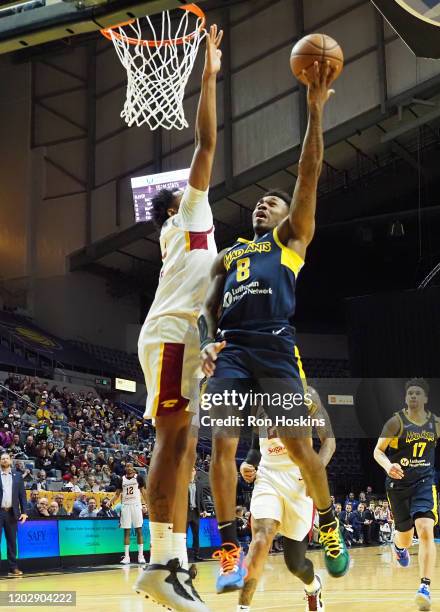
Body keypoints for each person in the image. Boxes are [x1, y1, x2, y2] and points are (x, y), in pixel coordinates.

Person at [199, 60, 349, 592]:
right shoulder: (230, 256)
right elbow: (207, 307)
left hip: (277, 350)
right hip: (234, 352)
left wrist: (314, 108)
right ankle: (228, 548)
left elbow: (308, 174)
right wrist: (205, 345)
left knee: (301, 446)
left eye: (273, 201)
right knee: (220, 442)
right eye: (259, 201)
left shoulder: (289, 243)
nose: (263, 203)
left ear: (288, 217)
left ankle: (328, 524)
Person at [134, 25, 223, 612]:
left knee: (186, 446)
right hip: (170, 336)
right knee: (174, 440)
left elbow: (213, 294)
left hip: (185, 337)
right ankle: (160, 564)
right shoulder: (188, 207)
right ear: (177, 202)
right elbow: (207, 144)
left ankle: (176, 564)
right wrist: (209, 78)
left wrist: (215, 342)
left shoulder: (197, 232)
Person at [237, 388, 334, 612]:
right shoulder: (258, 398)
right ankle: (242, 608)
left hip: (299, 480)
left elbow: (329, 442)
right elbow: (254, 449)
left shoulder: (308, 394)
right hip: (267, 477)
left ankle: (313, 587)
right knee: (260, 539)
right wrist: (246, 464)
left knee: (295, 564)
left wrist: (315, 471)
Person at [374, 378, 440, 611]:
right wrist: (387, 466)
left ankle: (424, 586)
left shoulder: (435, 423)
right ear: (405, 398)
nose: (413, 396)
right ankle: (399, 546)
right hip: (398, 484)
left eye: (417, 393)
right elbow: (378, 451)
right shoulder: (395, 422)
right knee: (405, 534)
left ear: (425, 399)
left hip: (424, 482)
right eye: (409, 393)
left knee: (425, 528)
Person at [111, 463, 147, 565]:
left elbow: (144, 492)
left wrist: (148, 504)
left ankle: (141, 556)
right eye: (127, 466)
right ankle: (127, 557)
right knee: (126, 531)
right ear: (125, 468)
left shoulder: (139, 478)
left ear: (133, 468)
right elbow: (117, 494)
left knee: (139, 530)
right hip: (125, 506)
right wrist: (110, 501)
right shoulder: (121, 479)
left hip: (136, 505)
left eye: (130, 466)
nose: (129, 468)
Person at [0, 452, 28, 576]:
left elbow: (23, 496)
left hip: (12, 513)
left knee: (12, 541)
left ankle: (13, 567)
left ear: (10, 461)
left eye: (7, 458)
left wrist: (25, 512)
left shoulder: (18, 476)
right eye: (2, 459)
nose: (5, 460)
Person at [187, 467, 207, 562]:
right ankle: (184, 555)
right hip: (186, 512)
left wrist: (204, 510)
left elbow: (201, 498)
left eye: (193, 470)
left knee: (196, 535)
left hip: (195, 512)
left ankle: (196, 555)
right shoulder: (182, 483)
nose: (191, 471)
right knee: (184, 536)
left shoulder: (199, 484)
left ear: (195, 472)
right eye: (190, 470)